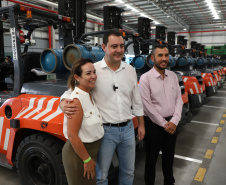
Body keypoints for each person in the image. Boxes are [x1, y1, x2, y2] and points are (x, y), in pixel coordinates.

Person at [60, 29, 145, 185]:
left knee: (128, 172)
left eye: (121, 46)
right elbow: (71, 91)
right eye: (114, 46)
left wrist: (141, 124)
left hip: (127, 129)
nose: (118, 50)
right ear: (104, 47)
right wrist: (62, 103)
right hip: (105, 132)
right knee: (101, 176)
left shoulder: (130, 70)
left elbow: (137, 99)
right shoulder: (94, 70)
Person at [139, 44, 183, 185]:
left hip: (172, 124)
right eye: (160, 55)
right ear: (152, 58)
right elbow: (148, 106)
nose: (164, 58)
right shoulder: (145, 79)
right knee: (151, 161)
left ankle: (169, 182)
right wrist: (165, 124)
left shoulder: (173, 77)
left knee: (169, 159)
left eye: (166, 55)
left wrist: (174, 121)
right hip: (154, 126)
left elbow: (179, 100)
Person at [62, 58, 104, 185]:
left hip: (89, 153)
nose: (93, 76)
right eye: (88, 73)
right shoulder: (76, 100)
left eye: (94, 72)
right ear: (77, 77)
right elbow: (72, 135)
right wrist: (86, 160)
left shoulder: (88, 93)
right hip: (79, 156)